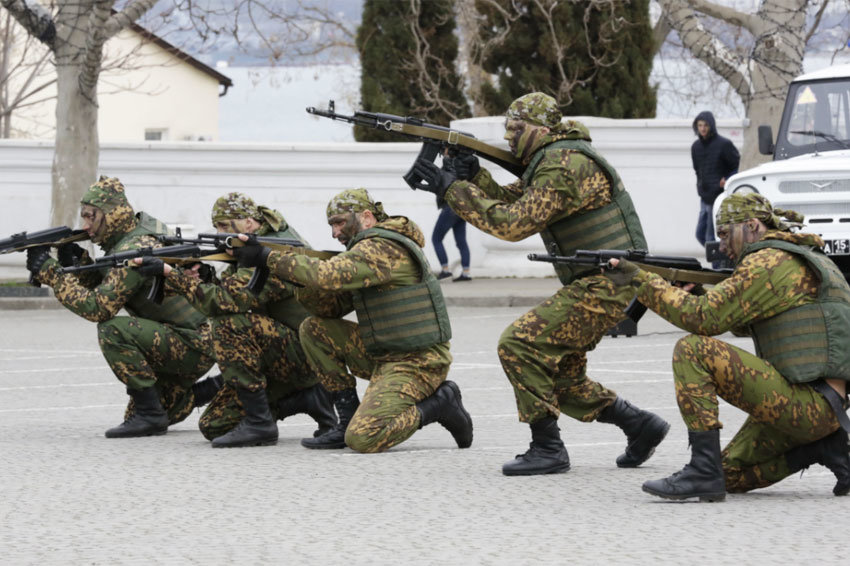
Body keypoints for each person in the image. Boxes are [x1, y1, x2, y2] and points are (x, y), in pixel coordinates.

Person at [410, 92, 669, 476]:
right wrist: (473, 175)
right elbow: (510, 199)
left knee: (519, 344)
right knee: (561, 377)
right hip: (601, 281)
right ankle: (639, 425)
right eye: (507, 128)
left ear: (543, 130)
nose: (510, 137)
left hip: (607, 282)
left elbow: (512, 224)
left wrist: (453, 190)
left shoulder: (563, 165)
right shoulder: (553, 160)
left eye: (517, 129)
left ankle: (547, 448)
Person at [605, 192, 850, 501]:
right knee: (728, 476)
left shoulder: (768, 261)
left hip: (805, 404)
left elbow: (703, 319)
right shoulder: (801, 258)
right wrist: (696, 294)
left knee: (693, 350)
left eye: (724, 233)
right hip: (821, 408)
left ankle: (702, 470)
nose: (721, 244)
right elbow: (740, 321)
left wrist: (641, 280)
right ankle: (822, 448)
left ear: (751, 226)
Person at [231, 188, 473, 453]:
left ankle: (441, 403)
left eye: (339, 222)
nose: (335, 233)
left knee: (363, 438)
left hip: (418, 363)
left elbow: (326, 274)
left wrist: (268, 258)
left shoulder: (382, 247)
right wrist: (297, 278)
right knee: (313, 329)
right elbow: (328, 309)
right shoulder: (364, 253)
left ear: (366, 217)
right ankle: (345, 419)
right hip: (384, 355)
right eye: (332, 225)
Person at [25, 176, 219, 438]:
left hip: (191, 343)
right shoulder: (137, 234)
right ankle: (215, 388)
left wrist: (52, 274)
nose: (86, 226)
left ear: (112, 215)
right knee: (151, 412)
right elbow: (112, 286)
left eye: (91, 217)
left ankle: (150, 416)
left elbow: (99, 308)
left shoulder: (133, 249)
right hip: (193, 340)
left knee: (112, 329)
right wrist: (78, 262)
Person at [144, 192, 338, 448]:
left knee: (227, 326)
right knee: (214, 425)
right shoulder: (252, 247)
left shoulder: (274, 253)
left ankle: (260, 423)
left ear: (249, 222)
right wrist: (203, 277)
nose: (219, 232)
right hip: (282, 353)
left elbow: (226, 301)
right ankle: (307, 398)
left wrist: (173, 276)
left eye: (224, 225)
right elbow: (238, 294)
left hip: (306, 355)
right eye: (217, 226)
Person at [691, 110, 740, 247]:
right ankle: (720, 258)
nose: (703, 129)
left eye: (705, 125)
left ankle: (717, 267)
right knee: (700, 234)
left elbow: (737, 166)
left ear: (711, 126)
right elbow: (697, 170)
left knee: (710, 236)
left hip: (718, 197)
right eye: (700, 125)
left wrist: (727, 179)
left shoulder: (724, 144)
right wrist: (700, 186)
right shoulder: (695, 147)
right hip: (704, 196)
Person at [432, 195, 471, 281]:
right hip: (462, 207)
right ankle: (466, 273)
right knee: (461, 242)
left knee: (436, 239)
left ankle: (445, 271)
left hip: (450, 207)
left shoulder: (443, 180)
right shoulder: (461, 181)